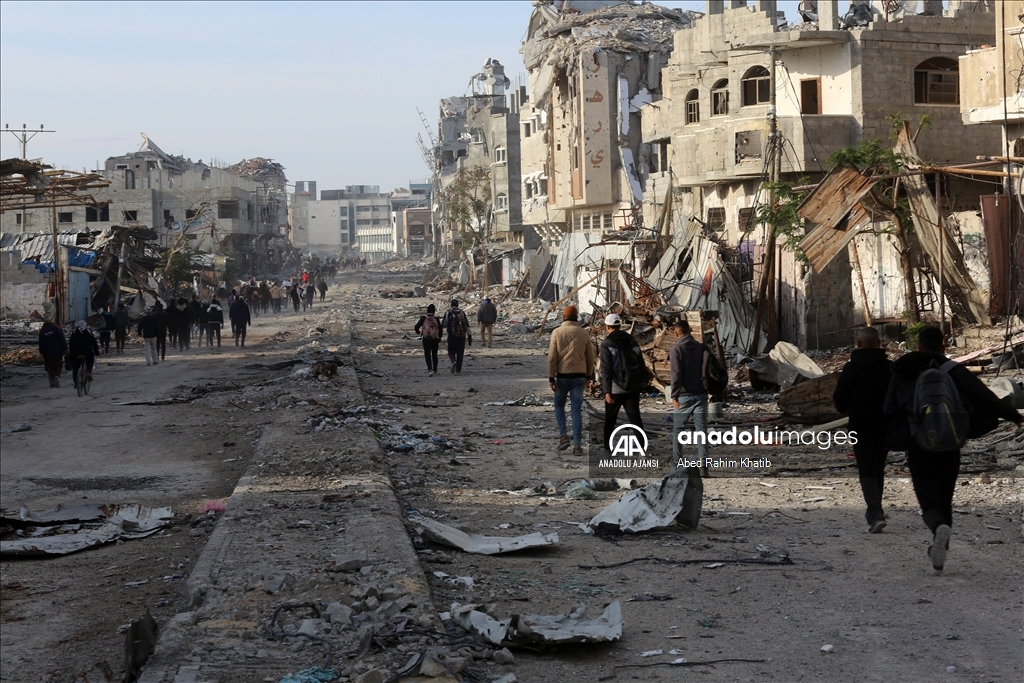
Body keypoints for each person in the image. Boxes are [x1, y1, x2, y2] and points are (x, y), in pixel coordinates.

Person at [884, 325, 1022, 574]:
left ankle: (937, 529)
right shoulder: (953, 371)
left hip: (919, 445)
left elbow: (888, 410)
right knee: (944, 497)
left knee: (928, 501)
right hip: (950, 444)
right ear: (943, 347)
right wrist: (1014, 416)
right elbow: (984, 397)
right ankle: (941, 551)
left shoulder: (904, 372)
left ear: (919, 347)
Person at [833, 327, 893, 533]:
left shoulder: (852, 369)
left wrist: (846, 409)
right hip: (884, 424)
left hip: (860, 424)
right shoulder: (889, 368)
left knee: (867, 468)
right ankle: (876, 509)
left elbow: (839, 399)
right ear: (879, 343)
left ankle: (875, 512)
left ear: (859, 344)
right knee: (878, 467)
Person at [546, 305, 595, 455]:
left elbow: (552, 357)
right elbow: (590, 357)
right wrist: (589, 376)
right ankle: (577, 446)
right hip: (579, 377)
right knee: (576, 410)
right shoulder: (584, 333)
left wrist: (551, 377)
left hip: (562, 377)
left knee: (559, 406)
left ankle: (563, 436)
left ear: (564, 317)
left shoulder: (557, 332)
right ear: (576, 318)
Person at [599, 313, 645, 453]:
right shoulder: (632, 341)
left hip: (615, 389)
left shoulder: (607, 344)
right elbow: (641, 364)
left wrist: (606, 391)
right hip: (632, 388)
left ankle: (607, 447)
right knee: (635, 418)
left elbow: (605, 370)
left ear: (607, 327)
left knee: (610, 419)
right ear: (619, 325)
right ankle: (642, 446)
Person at [670, 320, 712, 470]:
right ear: (690, 331)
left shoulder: (676, 349)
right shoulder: (701, 347)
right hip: (701, 393)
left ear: (676, 333)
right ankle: (704, 466)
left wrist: (674, 394)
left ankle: (677, 464)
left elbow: (676, 374)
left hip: (683, 396)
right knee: (701, 431)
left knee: (678, 430)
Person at [441, 299, 472, 374]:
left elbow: (444, 324)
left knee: (450, 351)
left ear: (451, 305)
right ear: (458, 305)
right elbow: (466, 324)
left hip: (452, 335)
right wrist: (469, 335)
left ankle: (453, 361)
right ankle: (458, 370)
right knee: (460, 353)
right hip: (462, 336)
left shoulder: (448, 312)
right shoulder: (462, 312)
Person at [68, 320, 99, 389]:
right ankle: (88, 372)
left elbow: (71, 344)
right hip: (87, 352)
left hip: (75, 353)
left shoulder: (74, 332)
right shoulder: (88, 332)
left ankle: (76, 383)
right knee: (90, 360)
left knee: (75, 367)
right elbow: (94, 343)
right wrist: (97, 352)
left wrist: (71, 353)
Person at [38, 317, 68, 387]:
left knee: (49, 366)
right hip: (58, 350)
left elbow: (40, 342)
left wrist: (41, 351)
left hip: (47, 352)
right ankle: (57, 376)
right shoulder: (56, 327)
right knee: (58, 364)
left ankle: (51, 381)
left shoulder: (42, 330)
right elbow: (62, 338)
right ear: (51, 320)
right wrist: (65, 348)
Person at [415, 304, 442, 376]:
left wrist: (419, 332)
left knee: (427, 354)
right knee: (434, 354)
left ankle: (430, 369)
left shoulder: (423, 318)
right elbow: (440, 328)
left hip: (426, 339)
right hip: (434, 339)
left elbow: (416, 326)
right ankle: (435, 369)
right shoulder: (436, 319)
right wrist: (440, 337)